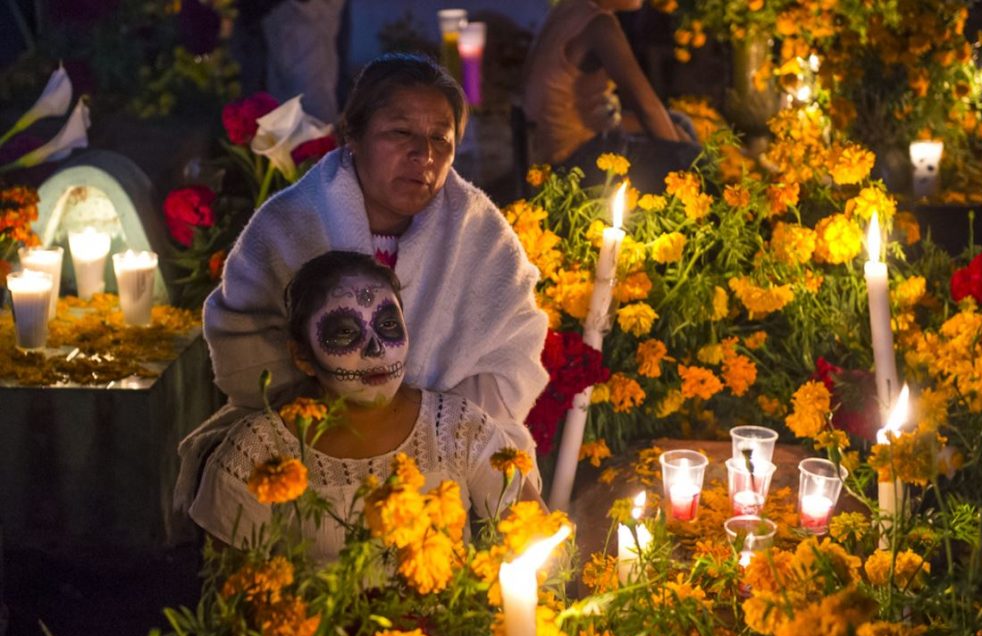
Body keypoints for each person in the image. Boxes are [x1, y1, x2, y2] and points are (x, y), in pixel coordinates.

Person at [175, 53, 548, 514]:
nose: (423, 156)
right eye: (400, 133)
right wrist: (348, 417)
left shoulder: (481, 235)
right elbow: (243, 347)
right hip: (310, 437)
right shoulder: (290, 222)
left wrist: (420, 424)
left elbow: (512, 360)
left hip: (447, 447)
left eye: (440, 139)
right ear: (353, 134)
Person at [190, 252, 534, 562]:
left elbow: (537, 540)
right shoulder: (257, 454)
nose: (376, 350)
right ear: (302, 356)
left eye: (387, 325)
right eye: (344, 333)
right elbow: (230, 604)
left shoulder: (459, 429)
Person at [521, 0, 701, 191]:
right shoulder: (599, 25)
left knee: (679, 123)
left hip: (562, 141)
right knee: (692, 159)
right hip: (571, 162)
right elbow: (646, 108)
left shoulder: (574, 7)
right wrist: (685, 160)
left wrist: (675, 137)